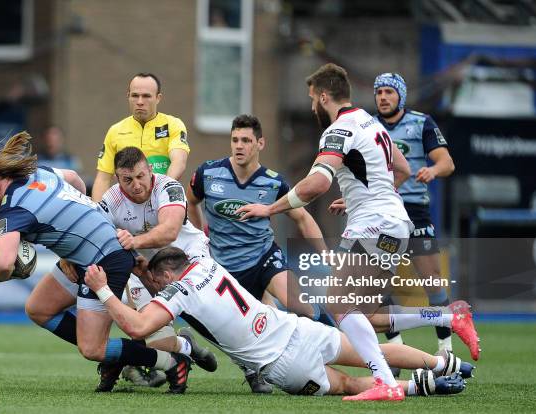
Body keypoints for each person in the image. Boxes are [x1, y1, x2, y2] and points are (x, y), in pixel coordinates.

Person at [237, 63, 479, 400]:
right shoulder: (371, 122)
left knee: (337, 304)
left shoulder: (339, 130)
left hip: (376, 226)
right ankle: (446, 318)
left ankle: (385, 383)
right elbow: (403, 168)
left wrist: (270, 208)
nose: (311, 107)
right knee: (366, 316)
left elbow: (317, 184)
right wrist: (363, 199)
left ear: (324, 96)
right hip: (392, 223)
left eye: (312, 100)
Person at [0, 132, 192, 394]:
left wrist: (7, 273)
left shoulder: (13, 210)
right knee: (38, 308)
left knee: (92, 348)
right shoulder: (38, 174)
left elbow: (3, 265)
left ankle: (172, 360)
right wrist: (74, 234)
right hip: (89, 252)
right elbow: (74, 180)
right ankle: (120, 353)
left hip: (105, 259)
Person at [84, 246, 471, 399]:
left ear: (169, 277)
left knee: (352, 384)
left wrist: (103, 290)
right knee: (378, 350)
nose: (157, 288)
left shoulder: (179, 290)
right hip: (296, 328)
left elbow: (137, 327)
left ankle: (422, 387)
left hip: (282, 363)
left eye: (158, 282)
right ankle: (447, 364)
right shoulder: (206, 263)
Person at [55, 146, 216, 391]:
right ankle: (185, 346)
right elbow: (90, 233)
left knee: (214, 322)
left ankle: (250, 366)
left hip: (187, 261)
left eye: (141, 176)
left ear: (150, 170)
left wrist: (135, 241)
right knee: (156, 343)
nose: (136, 184)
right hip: (144, 269)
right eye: (127, 180)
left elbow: (170, 231)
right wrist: (68, 255)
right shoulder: (111, 200)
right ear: (118, 179)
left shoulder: (168, 187)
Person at [186, 114, 328, 392]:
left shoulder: (273, 183)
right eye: (235, 140)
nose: (239, 146)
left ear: (260, 143)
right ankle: (252, 370)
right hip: (224, 268)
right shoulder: (208, 173)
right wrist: (199, 238)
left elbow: (302, 218)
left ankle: (340, 341)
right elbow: (191, 202)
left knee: (299, 305)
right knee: (233, 329)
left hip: (264, 257)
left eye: (246, 140)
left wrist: (326, 253)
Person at [373, 72, 456, 353]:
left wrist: (432, 170)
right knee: (377, 286)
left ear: (401, 96)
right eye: (379, 92)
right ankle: (395, 350)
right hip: (381, 214)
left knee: (432, 282)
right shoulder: (369, 127)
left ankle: (446, 347)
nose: (383, 97)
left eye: (389, 92)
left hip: (415, 213)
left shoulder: (421, 123)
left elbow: (447, 162)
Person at [91, 73, 190, 201]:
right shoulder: (115, 131)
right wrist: (97, 213)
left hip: (164, 198)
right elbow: (103, 178)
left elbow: (179, 162)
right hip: (129, 206)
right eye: (135, 96)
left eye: (146, 96)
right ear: (128, 96)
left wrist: (162, 191)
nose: (140, 102)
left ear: (158, 98)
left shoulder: (173, 124)